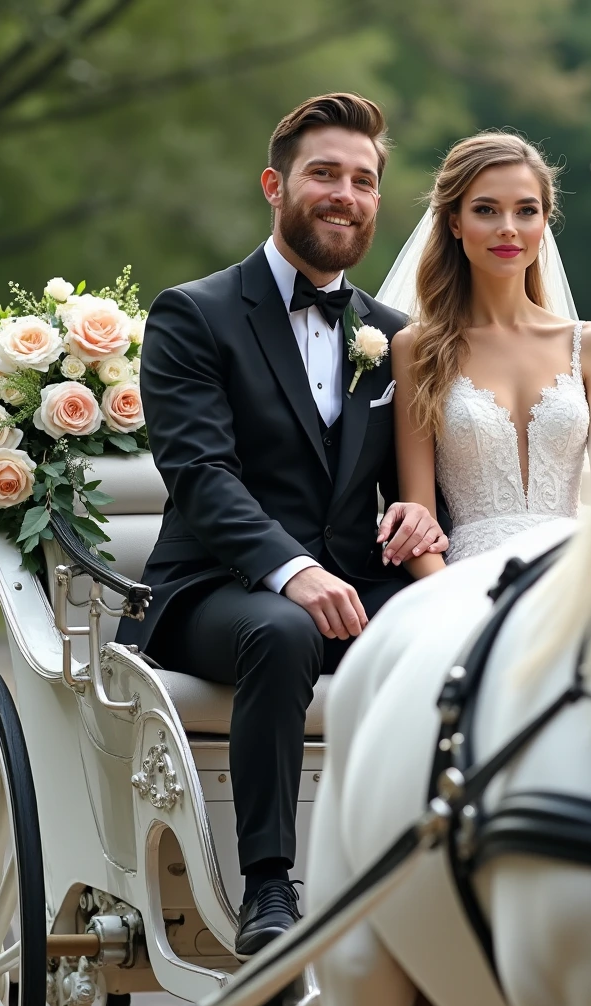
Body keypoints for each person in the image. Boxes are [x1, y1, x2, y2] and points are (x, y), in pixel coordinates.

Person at [115, 93, 448, 957]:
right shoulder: (194, 314)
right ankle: (269, 885)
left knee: (454, 636)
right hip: (214, 592)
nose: (345, 194)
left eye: (364, 181)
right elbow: (199, 474)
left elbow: (419, 479)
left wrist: (420, 516)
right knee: (280, 628)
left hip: (353, 583)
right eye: (324, 174)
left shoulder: (393, 335)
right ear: (276, 185)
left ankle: (429, 865)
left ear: (379, 200)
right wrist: (291, 570)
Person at [379, 132, 591, 573]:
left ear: (544, 221)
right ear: (454, 222)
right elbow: (419, 520)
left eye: (526, 210)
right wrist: (451, 604)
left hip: (576, 574)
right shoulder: (417, 349)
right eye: (486, 210)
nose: (508, 226)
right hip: (467, 582)